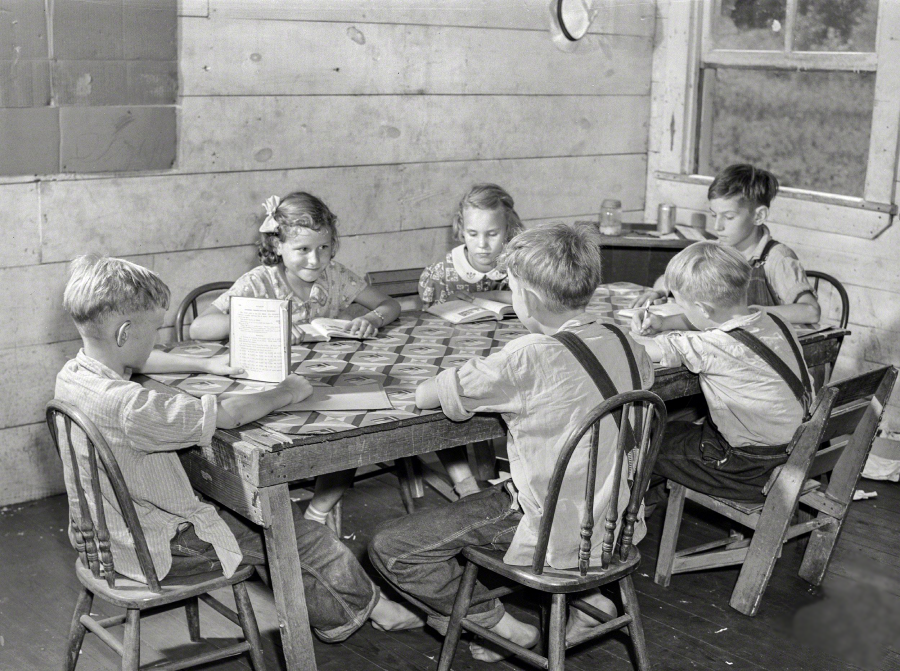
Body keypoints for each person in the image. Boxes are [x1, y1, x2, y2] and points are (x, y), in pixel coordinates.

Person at [55, 255, 422, 641]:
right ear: (125, 333)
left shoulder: (74, 375)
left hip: (106, 536)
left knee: (249, 509)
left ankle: (333, 614)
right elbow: (228, 415)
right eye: (154, 329)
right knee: (291, 529)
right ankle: (374, 609)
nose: (156, 338)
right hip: (161, 548)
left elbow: (143, 364)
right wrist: (286, 391)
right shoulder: (133, 407)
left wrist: (209, 367)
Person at [370, 222, 654, 661]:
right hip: (616, 518)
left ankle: (500, 625)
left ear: (529, 298)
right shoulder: (626, 341)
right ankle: (588, 598)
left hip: (550, 524)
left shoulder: (527, 357)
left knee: (392, 548)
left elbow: (430, 394)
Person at [191, 191, 402, 525]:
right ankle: (268, 515)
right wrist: (263, 322)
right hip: (268, 390)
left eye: (324, 248)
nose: (315, 260)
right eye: (302, 250)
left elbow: (390, 305)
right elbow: (200, 328)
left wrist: (371, 319)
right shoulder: (260, 282)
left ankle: (316, 516)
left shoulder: (335, 276)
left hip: (322, 381)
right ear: (277, 246)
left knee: (349, 434)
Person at [632, 242, 814, 502]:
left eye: (682, 306)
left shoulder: (713, 346)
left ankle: (635, 515)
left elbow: (641, 350)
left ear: (704, 309)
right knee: (675, 431)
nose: (680, 311)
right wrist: (664, 322)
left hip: (751, 471)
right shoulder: (774, 320)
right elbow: (714, 321)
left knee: (639, 443)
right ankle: (651, 501)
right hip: (797, 455)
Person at [418, 183, 526, 497]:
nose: (482, 244)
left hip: (503, 357)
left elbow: (535, 292)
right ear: (460, 229)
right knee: (442, 399)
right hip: (452, 358)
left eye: (492, 234)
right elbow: (427, 324)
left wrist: (493, 293)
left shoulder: (516, 263)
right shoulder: (441, 274)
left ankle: (516, 473)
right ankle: (466, 484)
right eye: (472, 233)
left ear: (507, 230)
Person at [630, 164, 820, 325]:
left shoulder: (777, 258)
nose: (717, 226)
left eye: (729, 217)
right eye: (714, 215)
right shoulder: (715, 251)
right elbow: (668, 279)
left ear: (758, 216)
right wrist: (660, 290)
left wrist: (751, 312)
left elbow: (810, 311)